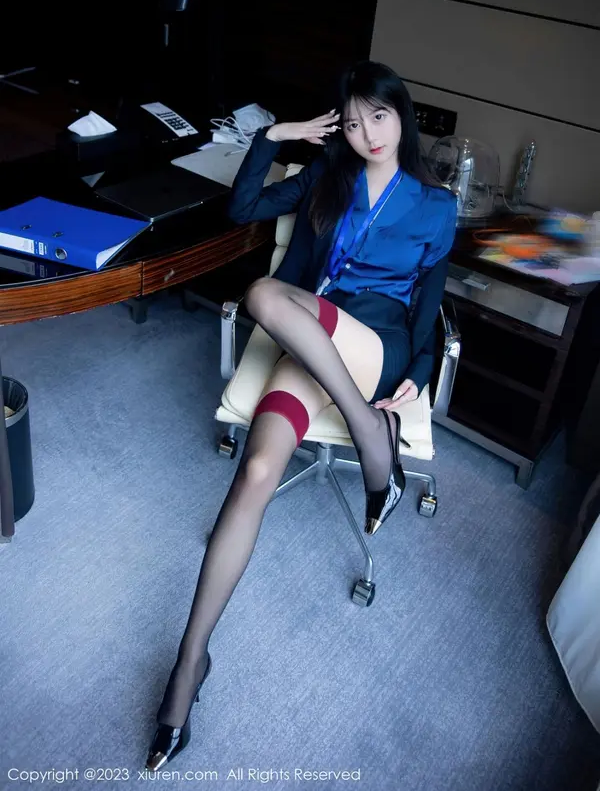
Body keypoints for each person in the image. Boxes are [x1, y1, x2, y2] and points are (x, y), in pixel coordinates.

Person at [145, 60, 457, 771]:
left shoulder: (434, 206)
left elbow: (429, 303)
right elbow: (242, 209)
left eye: (380, 115)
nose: (368, 132)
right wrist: (274, 136)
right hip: (311, 337)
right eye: (354, 120)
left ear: (402, 117)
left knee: (262, 296)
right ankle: (189, 664)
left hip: (372, 342)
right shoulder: (327, 177)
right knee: (256, 470)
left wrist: (417, 375)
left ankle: (374, 431)